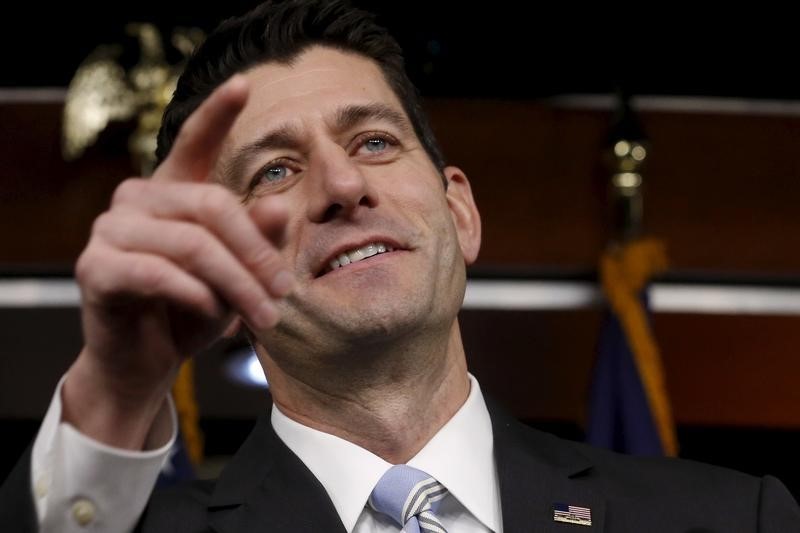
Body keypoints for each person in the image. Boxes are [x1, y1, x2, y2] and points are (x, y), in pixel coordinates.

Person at [2, 1, 799, 531]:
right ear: (220, 270)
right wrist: (118, 383)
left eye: (374, 142)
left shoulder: (736, 517)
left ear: (460, 211)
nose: (342, 186)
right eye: (275, 171)